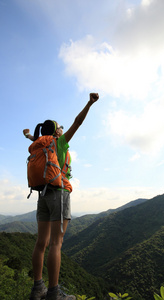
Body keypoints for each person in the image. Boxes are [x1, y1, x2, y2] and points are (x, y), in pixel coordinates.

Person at [23, 93, 99, 300]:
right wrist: (89, 103)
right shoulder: (60, 143)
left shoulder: (39, 144)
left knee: (41, 243)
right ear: (56, 131)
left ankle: (38, 288)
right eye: (60, 128)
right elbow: (77, 122)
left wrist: (28, 135)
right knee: (56, 244)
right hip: (59, 193)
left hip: (42, 194)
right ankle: (54, 293)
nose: (62, 130)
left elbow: (35, 137)